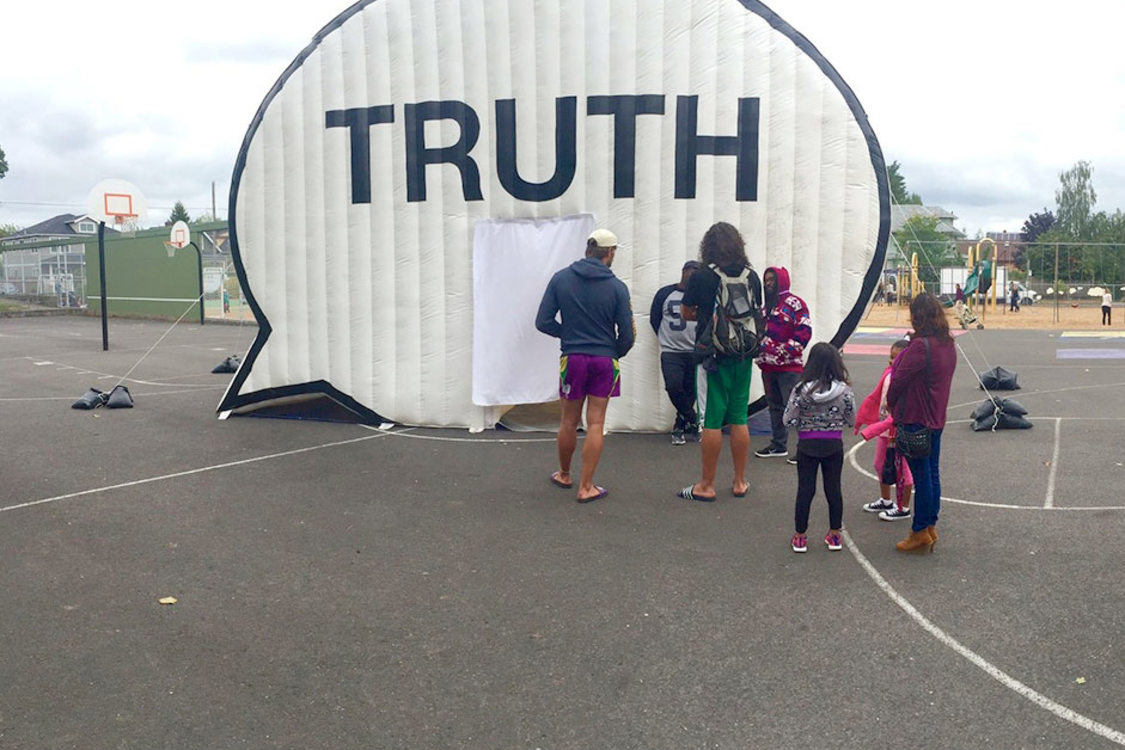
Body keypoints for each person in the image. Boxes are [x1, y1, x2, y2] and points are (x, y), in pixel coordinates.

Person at [536, 228, 635, 503]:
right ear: (610, 252)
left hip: (573, 357)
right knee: (596, 422)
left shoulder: (561, 279)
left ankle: (565, 474)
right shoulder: (617, 287)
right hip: (604, 359)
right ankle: (587, 485)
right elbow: (627, 334)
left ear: (588, 249)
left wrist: (567, 335)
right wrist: (613, 352)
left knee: (568, 420)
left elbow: (542, 321)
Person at [675, 222, 762, 501]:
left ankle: (707, 484)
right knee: (739, 417)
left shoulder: (703, 276)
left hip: (713, 355)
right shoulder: (752, 276)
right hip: (743, 353)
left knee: (711, 419)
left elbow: (687, 312)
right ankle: (739, 481)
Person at [886, 293, 957, 553]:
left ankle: (919, 531)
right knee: (932, 473)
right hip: (937, 417)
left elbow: (898, 379)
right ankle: (929, 525)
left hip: (917, 418)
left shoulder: (920, 346)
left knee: (922, 476)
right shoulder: (947, 343)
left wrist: (892, 404)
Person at [782, 342, 855, 552]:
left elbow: (788, 419)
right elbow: (851, 418)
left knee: (805, 489)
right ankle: (834, 535)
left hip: (807, 443)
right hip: (833, 443)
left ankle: (800, 536)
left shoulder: (800, 389)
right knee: (833, 489)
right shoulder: (844, 390)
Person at [754, 266, 812, 463]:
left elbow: (804, 331)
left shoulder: (795, 304)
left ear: (781, 280)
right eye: (766, 280)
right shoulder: (765, 307)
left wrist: (782, 351)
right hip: (767, 368)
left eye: (772, 280)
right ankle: (779, 445)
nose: (768, 283)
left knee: (795, 407)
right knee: (775, 407)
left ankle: (805, 449)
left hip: (789, 368)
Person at [855, 339, 914, 521]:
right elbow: (878, 397)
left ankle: (903, 507)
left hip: (898, 429)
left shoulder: (906, 378)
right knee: (880, 464)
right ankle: (886, 500)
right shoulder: (889, 373)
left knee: (903, 469)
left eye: (898, 358)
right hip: (885, 428)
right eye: (891, 356)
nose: (893, 360)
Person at [650, 260, 701, 444]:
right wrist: (666, 339)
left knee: (691, 391)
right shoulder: (665, 294)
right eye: (690, 271)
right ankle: (693, 420)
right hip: (671, 351)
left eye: (697, 272)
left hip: (695, 351)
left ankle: (680, 425)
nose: (692, 275)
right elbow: (655, 319)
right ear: (683, 271)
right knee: (673, 386)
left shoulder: (702, 295)